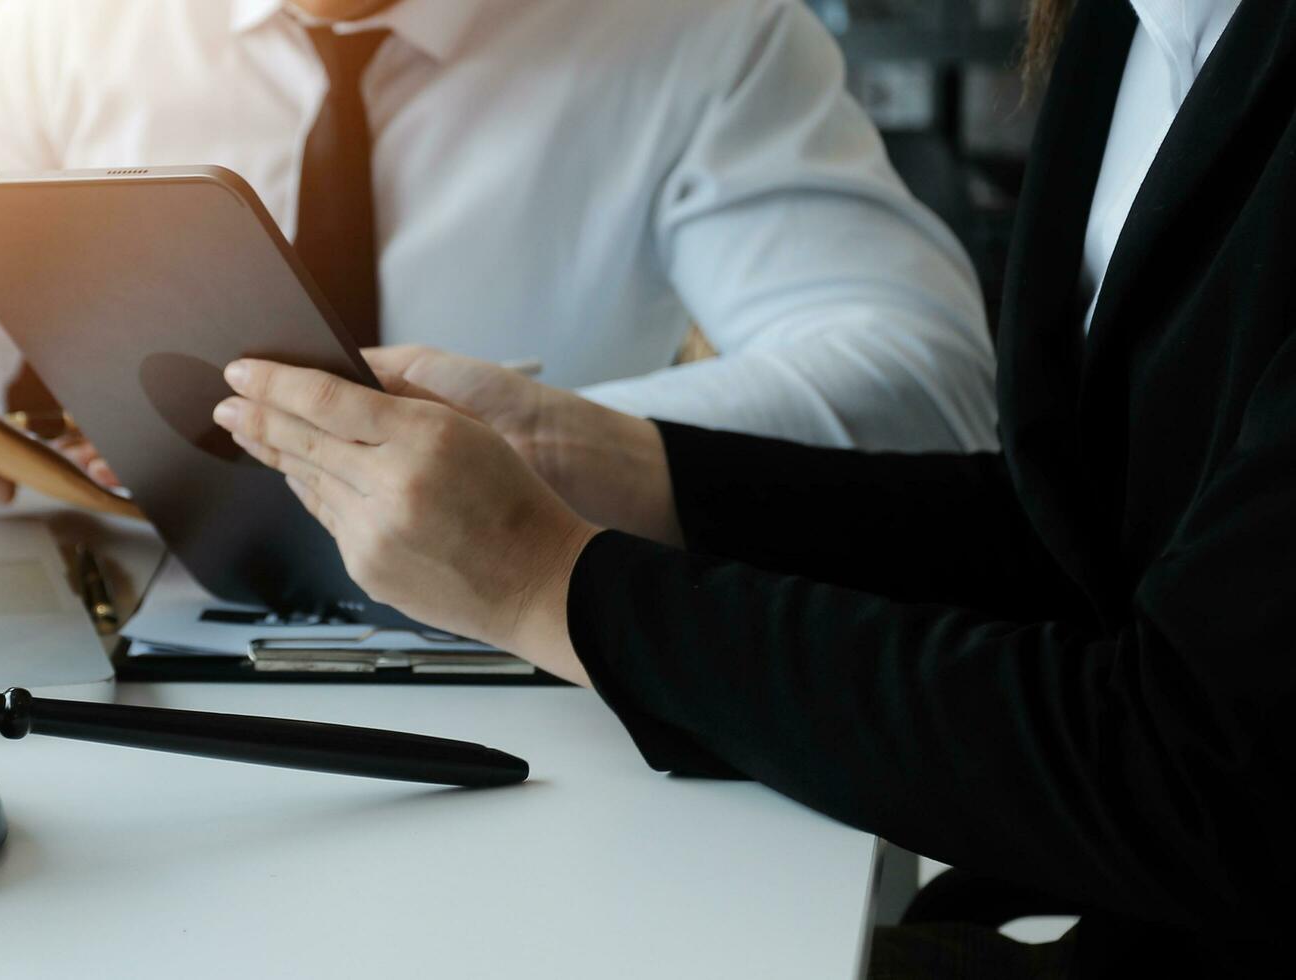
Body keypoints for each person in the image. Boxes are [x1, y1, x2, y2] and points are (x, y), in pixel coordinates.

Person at [212, 0, 1290, 974]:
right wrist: (607, 460)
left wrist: (547, 583)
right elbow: (1078, 537)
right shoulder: (1128, 28)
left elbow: (1205, 770)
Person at [0, 0, 1001, 520]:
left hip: (532, 640)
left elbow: (927, 381)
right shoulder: (64, 29)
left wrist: (544, 440)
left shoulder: (702, 34)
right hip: (129, 630)